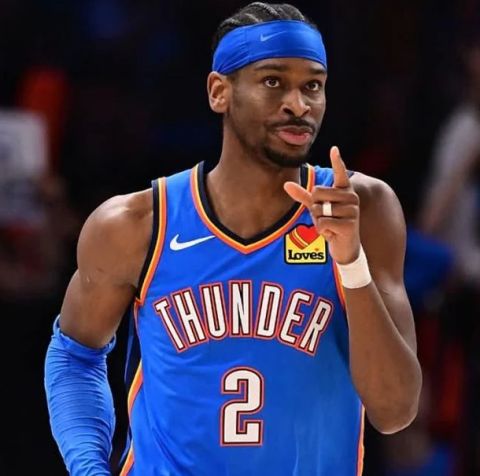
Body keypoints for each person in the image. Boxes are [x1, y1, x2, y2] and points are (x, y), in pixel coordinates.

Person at [44, 3, 422, 475]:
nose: (298, 104)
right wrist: (88, 468)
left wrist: (350, 261)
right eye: (273, 81)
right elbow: (74, 357)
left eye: (313, 86)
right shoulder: (138, 224)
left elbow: (395, 411)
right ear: (219, 91)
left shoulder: (364, 209)